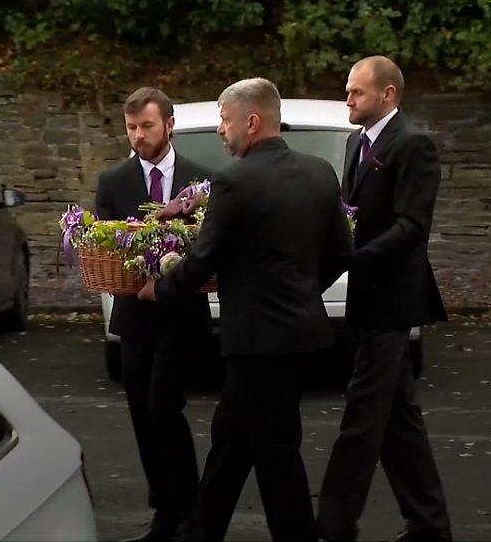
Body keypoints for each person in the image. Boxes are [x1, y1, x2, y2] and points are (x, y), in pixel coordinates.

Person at [139, 77, 352, 541]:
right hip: (297, 334)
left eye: (224, 119)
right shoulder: (319, 172)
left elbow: (204, 259)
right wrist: (301, 292)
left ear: (251, 122)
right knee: (232, 439)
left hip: (256, 339)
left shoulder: (233, 181)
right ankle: (200, 530)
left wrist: (161, 289)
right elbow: (340, 253)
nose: (220, 130)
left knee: (276, 451)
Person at [317, 56, 452, 542]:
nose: (348, 99)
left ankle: (333, 525)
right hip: (365, 299)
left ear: (388, 95)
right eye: (348, 91)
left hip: (393, 300)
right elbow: (350, 216)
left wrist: (356, 259)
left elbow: (412, 227)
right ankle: (429, 525)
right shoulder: (357, 142)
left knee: (363, 415)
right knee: (399, 421)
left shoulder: (413, 145)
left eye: (356, 92)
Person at [96, 87, 213, 542]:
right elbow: (105, 242)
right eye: (131, 128)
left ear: (169, 124)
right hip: (135, 317)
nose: (138, 136)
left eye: (146, 126)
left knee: (165, 404)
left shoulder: (202, 181)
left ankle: (188, 507)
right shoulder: (113, 181)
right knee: (142, 412)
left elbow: (206, 246)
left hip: (182, 314)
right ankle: (168, 509)